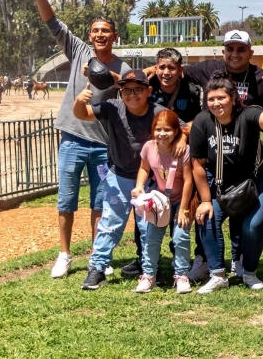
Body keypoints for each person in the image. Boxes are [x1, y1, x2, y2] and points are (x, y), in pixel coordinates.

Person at [146, 29, 263, 285]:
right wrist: (148, 71)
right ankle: (206, 261)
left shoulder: (260, 77)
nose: (234, 54)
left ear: (250, 52)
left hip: (248, 159)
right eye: (230, 49)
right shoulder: (208, 70)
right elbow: (173, 70)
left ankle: (239, 260)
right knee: (206, 209)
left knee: (243, 215)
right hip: (214, 157)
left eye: (240, 49)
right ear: (223, 52)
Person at [27, 0, 132, 280]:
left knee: (100, 204)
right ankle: (64, 254)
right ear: (90, 35)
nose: (100, 35)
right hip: (72, 138)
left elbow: (130, 90)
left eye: (106, 31)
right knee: (66, 200)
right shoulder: (77, 50)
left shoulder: (123, 66)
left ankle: (98, 258)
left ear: (115, 36)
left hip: (103, 145)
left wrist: (104, 75)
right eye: (95, 30)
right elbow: (51, 21)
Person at [73, 69, 186, 290]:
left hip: (150, 180)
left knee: (147, 228)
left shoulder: (159, 112)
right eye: (126, 90)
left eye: (138, 90)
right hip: (119, 176)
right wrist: (79, 101)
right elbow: (82, 114)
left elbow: (182, 126)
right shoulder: (113, 107)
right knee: (110, 224)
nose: (132, 95)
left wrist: (182, 137)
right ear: (120, 92)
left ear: (149, 91)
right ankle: (97, 268)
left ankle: (149, 270)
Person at [190, 72, 263, 294]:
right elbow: (198, 165)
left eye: (221, 98)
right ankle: (218, 275)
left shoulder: (247, 115)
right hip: (229, 182)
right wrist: (204, 201)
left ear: (233, 98)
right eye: (211, 99)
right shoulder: (202, 121)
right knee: (206, 217)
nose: (216, 103)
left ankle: (249, 272)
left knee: (252, 225)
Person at [121, 48, 202, 279]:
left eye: (172, 68)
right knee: (146, 214)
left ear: (180, 70)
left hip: (179, 154)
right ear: (156, 68)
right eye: (162, 67)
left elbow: (198, 120)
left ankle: (181, 263)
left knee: (182, 216)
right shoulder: (147, 87)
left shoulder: (191, 91)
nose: (166, 72)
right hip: (152, 152)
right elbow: (126, 90)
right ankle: (142, 259)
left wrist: (183, 135)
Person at [130, 110, 194, 294]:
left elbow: (189, 181)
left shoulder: (183, 150)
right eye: (158, 129)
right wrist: (139, 185)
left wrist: (183, 209)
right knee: (151, 238)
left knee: (180, 237)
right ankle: (149, 275)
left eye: (167, 129)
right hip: (160, 200)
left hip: (182, 200)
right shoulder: (149, 147)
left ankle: (181, 275)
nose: (162, 134)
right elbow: (144, 168)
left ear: (176, 131)